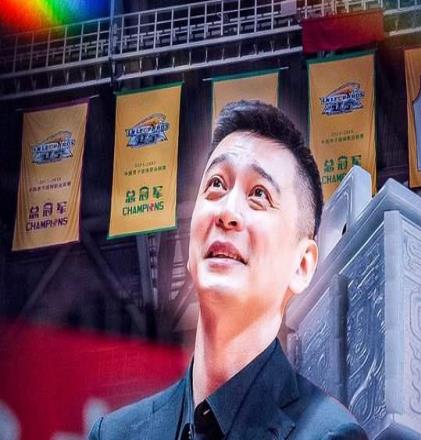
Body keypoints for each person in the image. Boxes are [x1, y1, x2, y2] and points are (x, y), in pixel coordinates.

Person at [89, 101, 368, 440]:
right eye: (216, 185)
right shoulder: (113, 434)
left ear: (302, 265)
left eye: (259, 194)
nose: (227, 211)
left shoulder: (329, 434)